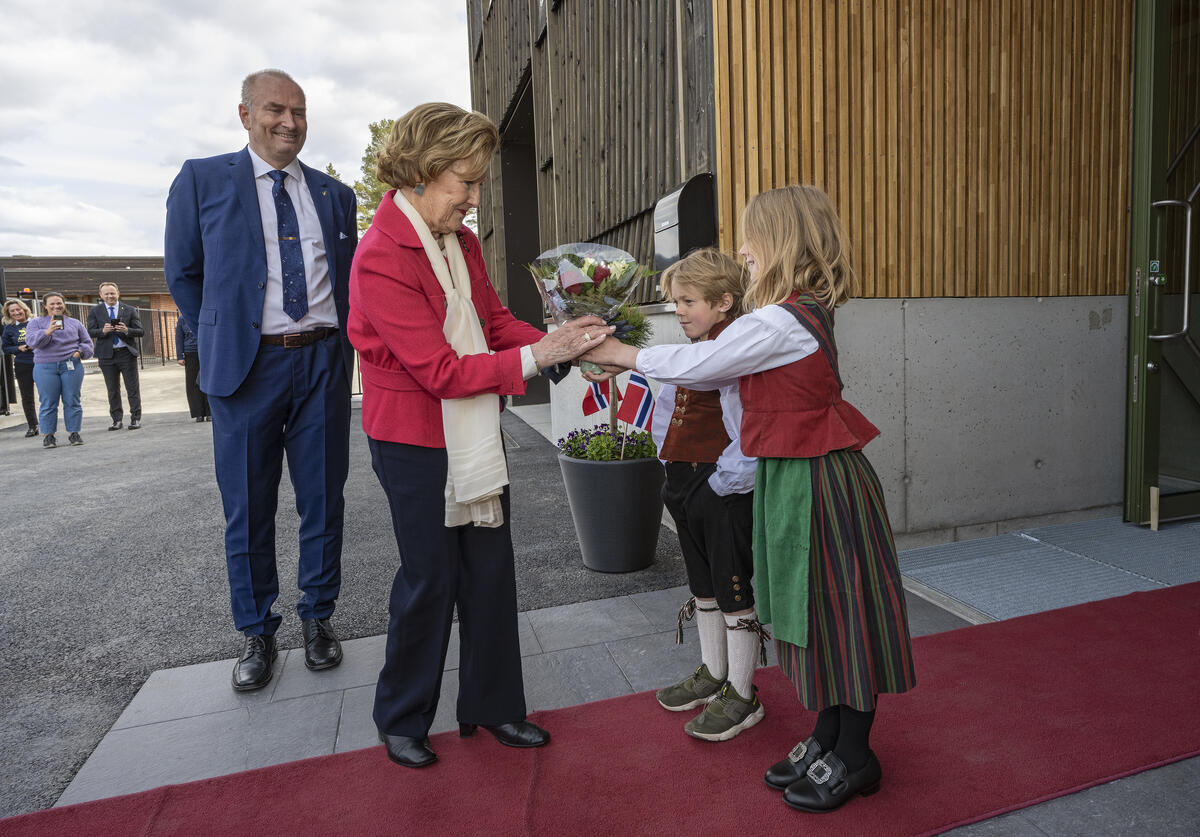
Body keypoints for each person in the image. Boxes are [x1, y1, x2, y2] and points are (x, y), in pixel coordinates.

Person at [583, 184, 916, 813]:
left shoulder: (780, 320)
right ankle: (828, 734)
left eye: (750, 237)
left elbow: (704, 364)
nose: (742, 250)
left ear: (782, 241)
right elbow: (711, 366)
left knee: (837, 611)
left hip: (820, 479)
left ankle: (857, 754)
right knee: (809, 608)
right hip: (800, 476)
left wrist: (618, 351)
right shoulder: (792, 313)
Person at [348, 102, 610, 769]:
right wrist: (538, 356)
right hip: (413, 438)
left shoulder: (459, 242)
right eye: (464, 181)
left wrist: (566, 341)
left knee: (490, 571)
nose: (473, 197)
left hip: (470, 430)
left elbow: (494, 324)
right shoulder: (380, 254)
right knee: (430, 577)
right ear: (422, 169)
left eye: (479, 182)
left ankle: (494, 706)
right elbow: (438, 369)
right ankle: (402, 715)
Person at [164, 69, 358, 692]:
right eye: (276, 109)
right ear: (244, 114)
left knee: (324, 499)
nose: (291, 123)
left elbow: (350, 281)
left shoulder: (335, 194)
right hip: (247, 370)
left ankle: (319, 619)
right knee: (248, 508)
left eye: (300, 112)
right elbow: (183, 274)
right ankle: (257, 631)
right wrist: (220, 339)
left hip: (324, 360)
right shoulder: (201, 179)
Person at [648, 248, 765, 742]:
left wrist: (723, 481)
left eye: (688, 301)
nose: (679, 310)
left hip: (719, 485)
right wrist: (667, 460)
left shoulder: (739, 347)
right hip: (684, 480)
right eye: (675, 301)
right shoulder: (694, 346)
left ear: (724, 301)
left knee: (733, 587)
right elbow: (670, 403)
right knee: (703, 584)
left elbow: (752, 423)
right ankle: (713, 673)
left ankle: (743, 694)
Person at [23, 292, 94, 448]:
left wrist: (80, 352)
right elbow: (31, 342)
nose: (56, 306)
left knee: (72, 400)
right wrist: (48, 332)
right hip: (45, 367)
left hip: (71, 365)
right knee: (48, 402)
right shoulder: (36, 323)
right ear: (45, 306)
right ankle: (49, 436)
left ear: (64, 304)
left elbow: (87, 343)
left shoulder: (75, 323)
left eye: (59, 303)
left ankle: (74, 433)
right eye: (52, 304)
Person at [86, 282, 145, 430]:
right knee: (112, 389)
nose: (110, 296)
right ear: (101, 295)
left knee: (132, 388)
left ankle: (135, 418)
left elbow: (140, 331)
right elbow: (90, 332)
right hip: (106, 356)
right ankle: (117, 420)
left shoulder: (130, 310)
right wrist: (102, 331)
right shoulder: (95, 311)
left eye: (112, 293)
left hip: (126, 353)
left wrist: (127, 330)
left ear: (118, 293)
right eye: (106, 294)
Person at [2, 298, 39, 437]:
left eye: (18, 309)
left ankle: (48, 424)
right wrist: (18, 347)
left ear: (24, 309)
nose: (17, 312)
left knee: (47, 395)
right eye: (13, 311)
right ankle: (32, 426)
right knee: (27, 396)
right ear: (9, 314)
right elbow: (5, 348)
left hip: (41, 362)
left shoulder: (36, 322)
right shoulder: (9, 328)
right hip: (23, 364)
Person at [174, 316, 210, 421]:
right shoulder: (182, 319)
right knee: (192, 384)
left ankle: (210, 412)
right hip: (190, 353)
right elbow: (179, 337)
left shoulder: (204, 314)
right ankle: (198, 413)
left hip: (206, 351)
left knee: (207, 381)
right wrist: (180, 356)